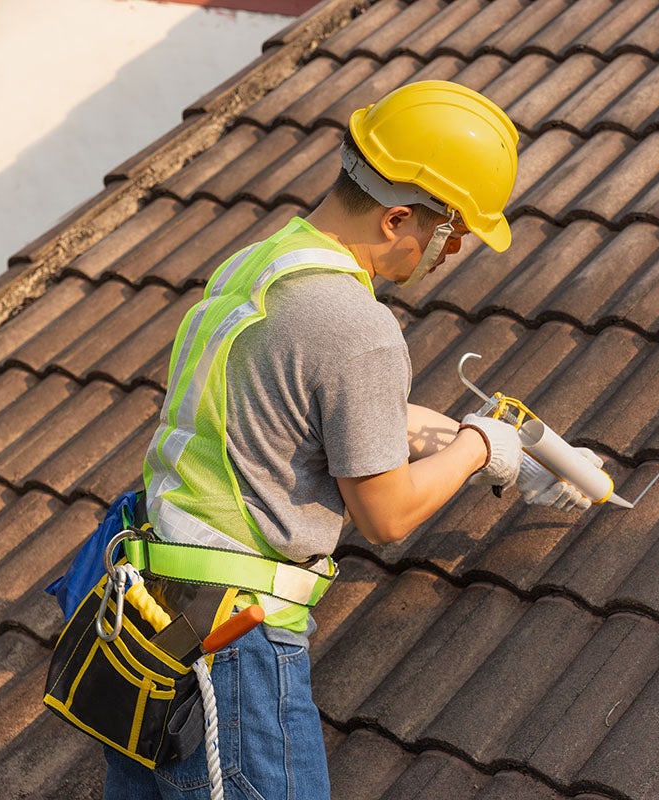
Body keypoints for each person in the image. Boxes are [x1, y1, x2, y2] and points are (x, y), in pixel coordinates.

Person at [101, 80, 590, 799]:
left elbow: (297, 411)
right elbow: (385, 516)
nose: (453, 252)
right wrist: (479, 450)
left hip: (149, 616)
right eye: (452, 232)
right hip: (231, 647)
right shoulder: (358, 327)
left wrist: (463, 438)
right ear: (397, 219)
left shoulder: (259, 263)